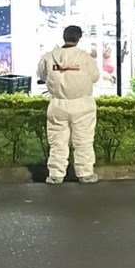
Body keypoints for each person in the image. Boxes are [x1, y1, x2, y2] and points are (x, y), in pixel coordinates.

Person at [37, 25, 101, 185]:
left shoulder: (49, 57)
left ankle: (56, 175)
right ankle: (85, 173)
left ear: (63, 37)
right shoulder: (85, 57)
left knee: (57, 141)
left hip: (57, 104)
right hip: (82, 105)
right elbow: (95, 77)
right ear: (79, 38)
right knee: (84, 140)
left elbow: (42, 75)